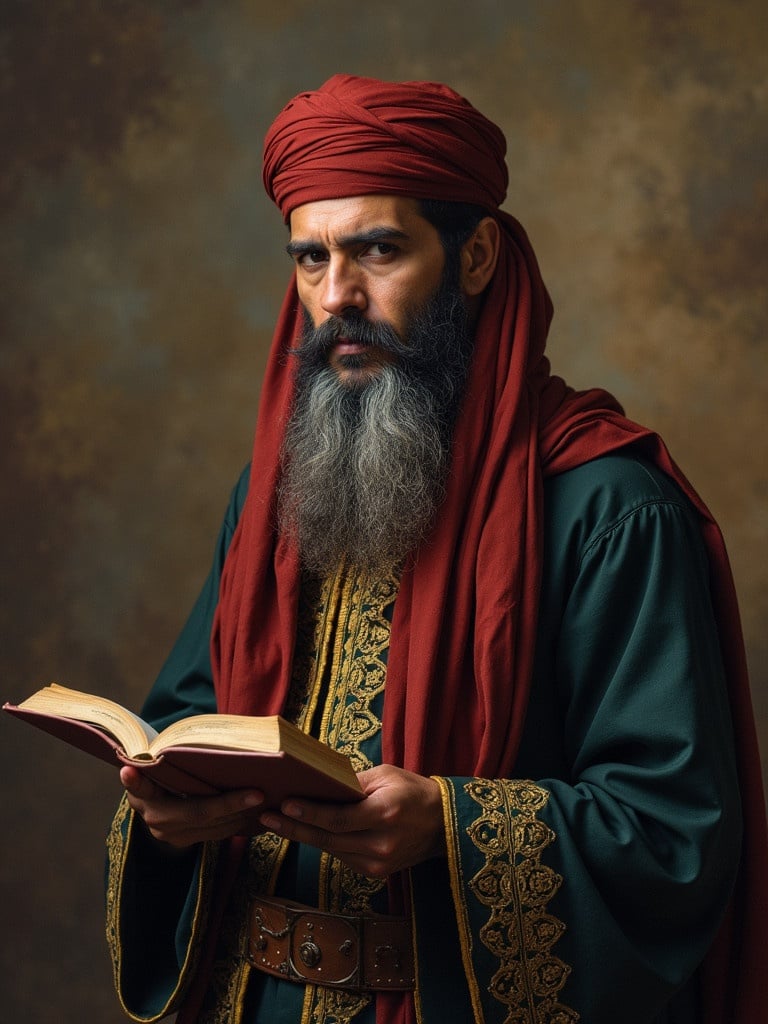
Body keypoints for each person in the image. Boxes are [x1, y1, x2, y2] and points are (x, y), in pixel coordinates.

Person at [105, 75, 768, 1024]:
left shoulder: (610, 506)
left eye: (378, 249)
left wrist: (450, 829)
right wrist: (165, 812)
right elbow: (192, 724)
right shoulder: (276, 491)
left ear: (477, 255)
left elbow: (673, 834)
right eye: (309, 259)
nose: (337, 296)